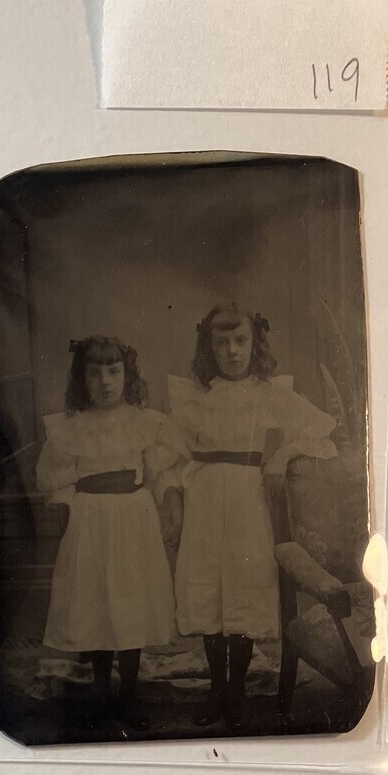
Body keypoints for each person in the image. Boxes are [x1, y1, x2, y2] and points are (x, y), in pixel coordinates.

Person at [156, 303, 337, 732]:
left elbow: (321, 433)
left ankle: (236, 689)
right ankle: (216, 686)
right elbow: (165, 455)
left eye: (240, 342)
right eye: (222, 343)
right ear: (209, 347)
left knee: (243, 585)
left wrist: (281, 455)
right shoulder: (195, 398)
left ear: (254, 344)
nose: (232, 351)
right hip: (202, 499)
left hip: (247, 499)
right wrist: (173, 499)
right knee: (206, 589)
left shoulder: (268, 392)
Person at [36, 335, 178, 731]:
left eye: (113, 371)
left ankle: (128, 695)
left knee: (130, 600)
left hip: (133, 517)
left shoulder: (144, 422)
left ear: (126, 375)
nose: (104, 381)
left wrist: (167, 501)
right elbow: (52, 478)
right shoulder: (71, 428)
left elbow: (159, 473)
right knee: (96, 599)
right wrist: (65, 501)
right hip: (90, 519)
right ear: (82, 379)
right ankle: (101, 692)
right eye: (94, 372)